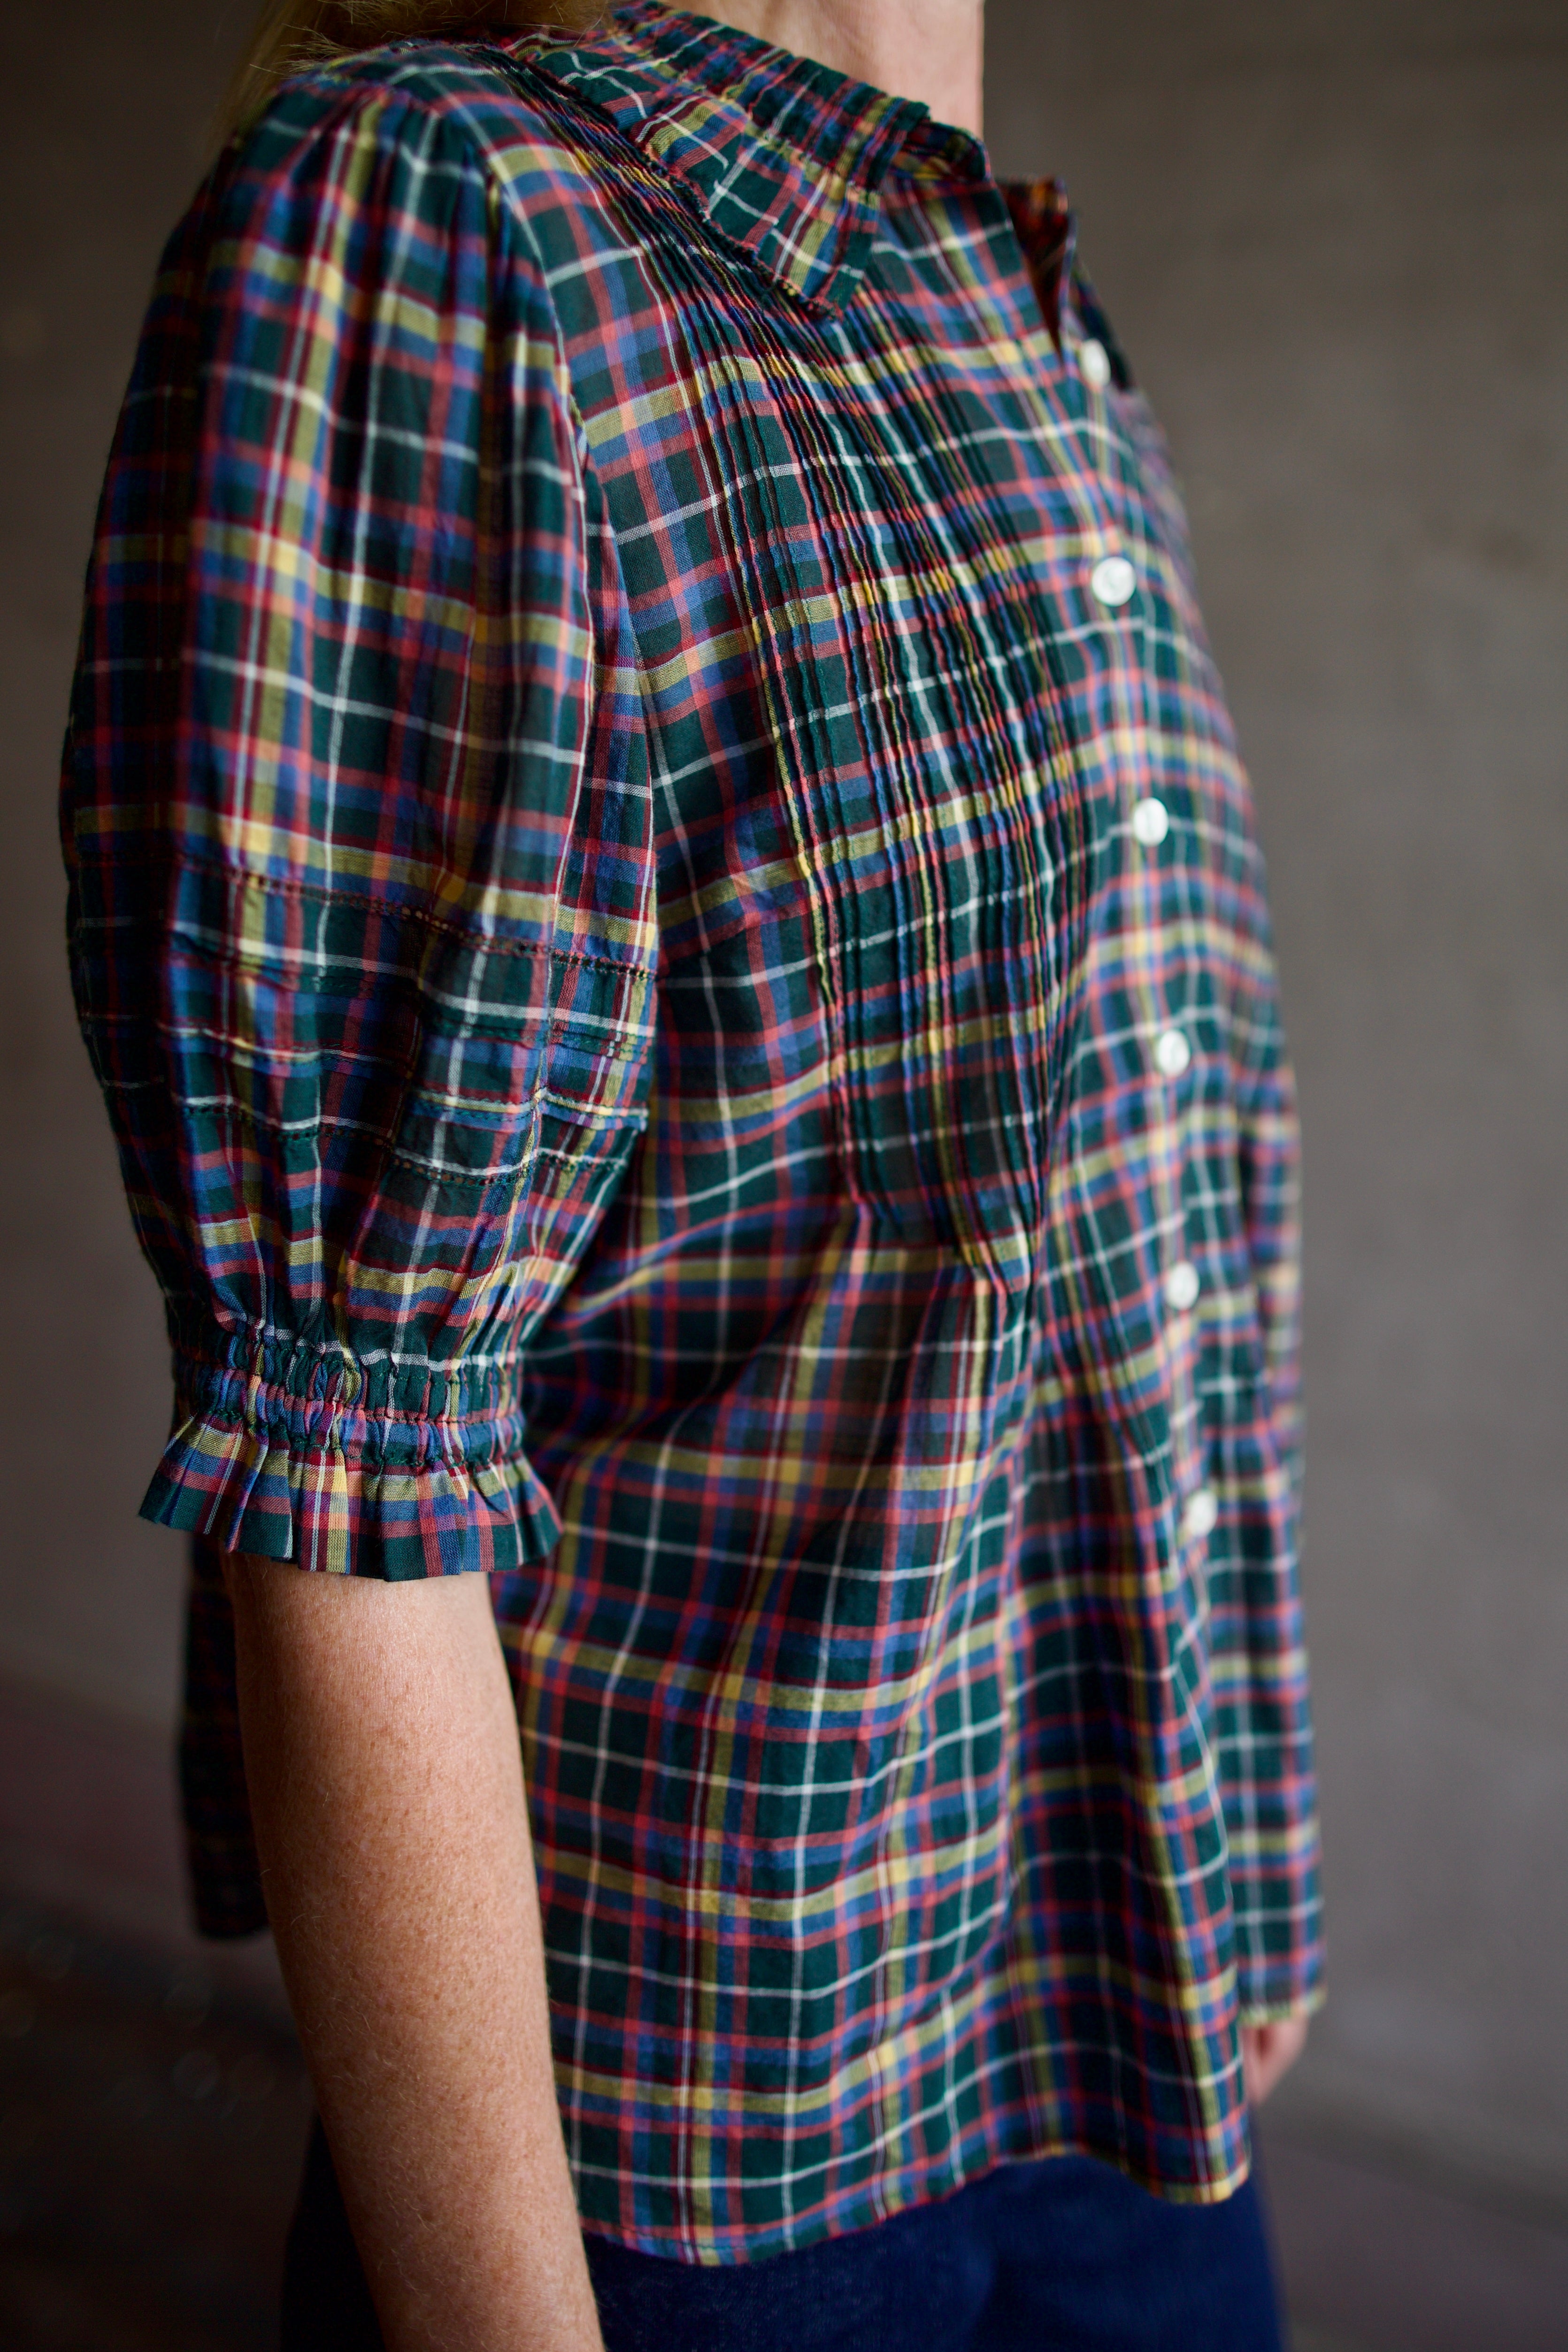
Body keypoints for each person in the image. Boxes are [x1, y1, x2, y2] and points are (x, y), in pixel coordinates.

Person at [61, 0, 1322, 2344]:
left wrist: (1240, 1858)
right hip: (691, 2145)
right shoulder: (449, 217)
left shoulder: (1020, 309)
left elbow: (1151, 1207)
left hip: (1115, 2039)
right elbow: (355, 1451)